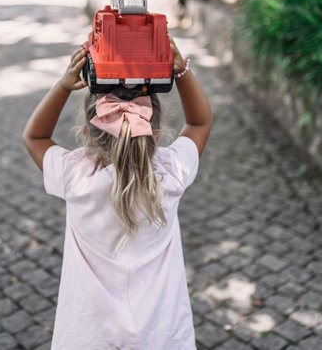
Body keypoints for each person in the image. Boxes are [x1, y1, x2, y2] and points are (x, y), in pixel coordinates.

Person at [22, 37, 213, 349]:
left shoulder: (76, 177)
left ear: (87, 133)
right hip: (160, 335)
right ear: (156, 131)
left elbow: (35, 136)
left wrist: (62, 84)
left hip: (89, 336)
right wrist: (182, 70)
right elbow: (200, 122)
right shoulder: (171, 174)